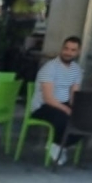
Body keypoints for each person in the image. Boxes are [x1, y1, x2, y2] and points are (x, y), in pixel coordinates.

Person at [30, 36, 84, 164]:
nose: (68, 52)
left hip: (63, 104)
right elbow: (48, 98)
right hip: (43, 106)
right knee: (63, 119)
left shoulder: (76, 69)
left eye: (72, 50)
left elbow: (74, 94)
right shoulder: (50, 68)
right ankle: (57, 145)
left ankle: (58, 145)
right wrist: (66, 109)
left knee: (84, 121)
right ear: (62, 49)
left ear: (78, 52)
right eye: (66, 48)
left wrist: (75, 109)